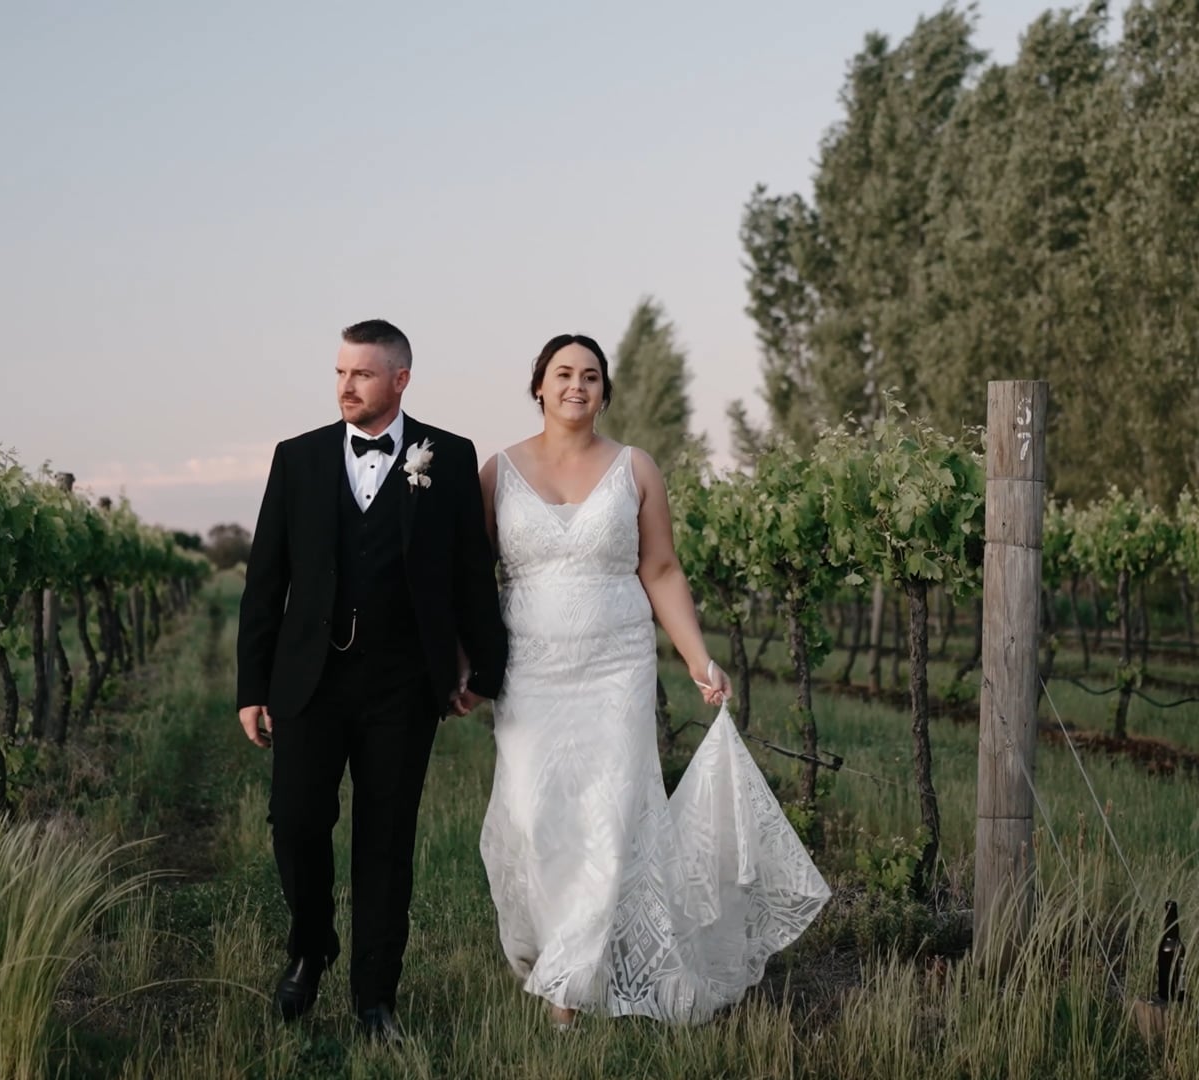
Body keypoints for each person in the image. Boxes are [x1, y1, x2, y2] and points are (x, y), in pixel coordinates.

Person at [477, 332, 829, 1029]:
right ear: (539, 386)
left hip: (616, 669)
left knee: (607, 818)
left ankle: (566, 991)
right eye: (563, 373)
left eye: (591, 376)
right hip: (531, 673)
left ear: (605, 392)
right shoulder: (496, 473)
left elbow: (661, 570)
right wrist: (464, 663)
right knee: (533, 813)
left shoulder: (635, 469)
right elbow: (469, 582)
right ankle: (557, 949)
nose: (577, 385)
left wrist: (699, 660)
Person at [237, 318, 507, 1043]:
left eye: (360, 373)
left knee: (387, 841)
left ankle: (374, 998)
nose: (345, 386)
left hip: (402, 686)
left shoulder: (446, 457)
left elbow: (468, 571)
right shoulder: (297, 458)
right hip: (308, 682)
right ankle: (310, 943)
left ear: (400, 380)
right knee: (295, 822)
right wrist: (250, 686)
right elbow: (267, 578)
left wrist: (484, 667)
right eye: (338, 373)